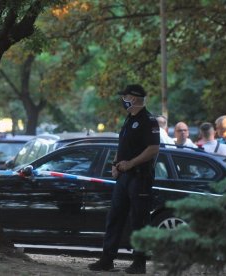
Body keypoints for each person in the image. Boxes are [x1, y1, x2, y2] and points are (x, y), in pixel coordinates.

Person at [88, 84, 160, 274]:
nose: (123, 99)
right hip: (123, 178)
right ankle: (107, 259)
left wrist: (131, 164)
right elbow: (122, 146)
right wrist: (115, 164)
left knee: (139, 221)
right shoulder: (129, 118)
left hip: (140, 177)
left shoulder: (148, 120)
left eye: (125, 96)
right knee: (114, 218)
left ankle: (139, 263)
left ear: (134, 98)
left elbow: (153, 149)